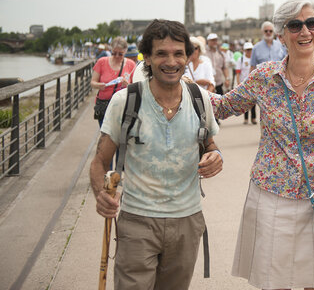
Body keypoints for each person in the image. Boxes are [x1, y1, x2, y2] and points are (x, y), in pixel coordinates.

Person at [210, 0, 314, 290]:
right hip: (273, 194)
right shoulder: (264, 77)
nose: (305, 31)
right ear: (283, 34)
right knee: (275, 284)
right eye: (295, 25)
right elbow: (223, 107)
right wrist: (180, 87)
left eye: (311, 23)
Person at [89, 19, 223, 290]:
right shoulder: (125, 101)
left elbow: (210, 145)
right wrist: (101, 193)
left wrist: (215, 156)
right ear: (147, 58)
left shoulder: (201, 100)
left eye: (178, 53)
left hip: (187, 220)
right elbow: (100, 162)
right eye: (161, 53)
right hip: (138, 221)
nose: (170, 61)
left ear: (188, 57)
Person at [90, 37, 136, 127]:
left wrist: (128, 85)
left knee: (119, 135)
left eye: (120, 54)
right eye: (114, 53)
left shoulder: (131, 64)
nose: (117, 56)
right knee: (105, 134)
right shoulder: (102, 62)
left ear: (125, 52)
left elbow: (135, 87)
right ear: (110, 51)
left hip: (122, 106)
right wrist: (99, 85)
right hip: (104, 105)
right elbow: (92, 82)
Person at [235, 41, 256, 124]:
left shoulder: (254, 59)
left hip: (253, 83)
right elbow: (237, 72)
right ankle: (246, 118)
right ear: (244, 50)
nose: (249, 51)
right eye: (247, 50)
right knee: (245, 102)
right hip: (244, 83)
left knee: (253, 101)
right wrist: (238, 83)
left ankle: (253, 118)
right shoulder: (241, 59)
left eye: (250, 49)